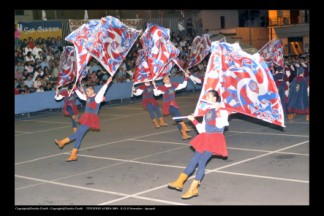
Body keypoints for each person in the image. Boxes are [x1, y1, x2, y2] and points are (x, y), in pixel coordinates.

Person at [167, 90, 230, 199]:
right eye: (207, 95)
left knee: (201, 162)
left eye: (209, 96)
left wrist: (219, 110)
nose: (207, 97)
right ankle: (180, 182)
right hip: (205, 137)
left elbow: (221, 124)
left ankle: (193, 188)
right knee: (194, 160)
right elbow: (202, 129)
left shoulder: (222, 110)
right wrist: (194, 120)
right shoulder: (208, 111)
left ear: (215, 98)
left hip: (214, 139)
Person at [54, 77, 113, 162]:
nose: (86, 93)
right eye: (86, 91)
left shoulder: (97, 98)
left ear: (92, 91)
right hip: (86, 118)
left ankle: (62, 142)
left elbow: (102, 91)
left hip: (91, 119)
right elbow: (81, 96)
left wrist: (107, 82)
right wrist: (75, 88)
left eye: (88, 91)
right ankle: (73, 154)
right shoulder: (87, 98)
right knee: (79, 136)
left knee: (77, 133)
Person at [152, 72, 191, 140]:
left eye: (168, 78)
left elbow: (183, 85)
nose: (167, 79)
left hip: (173, 103)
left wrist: (186, 77)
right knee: (178, 115)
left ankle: (184, 134)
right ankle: (184, 126)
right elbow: (156, 94)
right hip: (168, 105)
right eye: (165, 79)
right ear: (163, 81)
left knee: (177, 119)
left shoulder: (174, 85)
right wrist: (154, 86)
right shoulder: (162, 88)